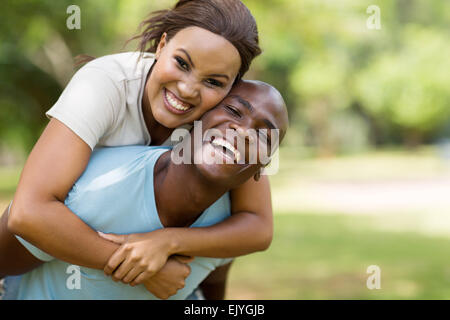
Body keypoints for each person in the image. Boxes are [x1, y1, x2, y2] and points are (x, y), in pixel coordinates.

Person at [3, 0, 276, 298]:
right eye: (182, 63)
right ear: (161, 46)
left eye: (212, 81)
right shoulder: (104, 84)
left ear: (230, 89)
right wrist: (145, 269)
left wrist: (169, 242)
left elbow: (258, 225)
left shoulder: (222, 121)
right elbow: (27, 213)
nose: (187, 89)